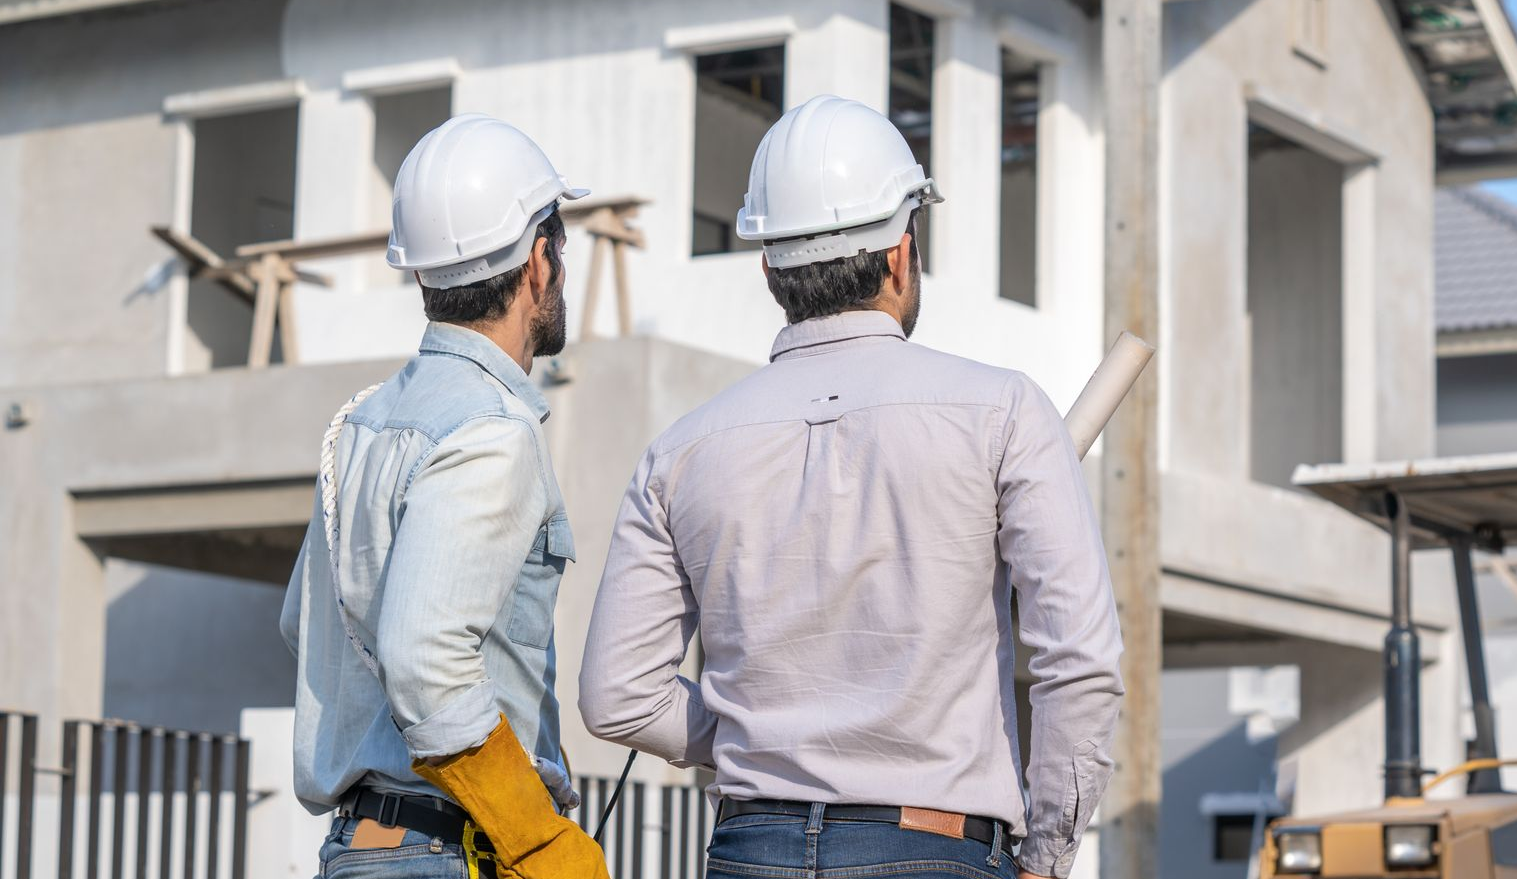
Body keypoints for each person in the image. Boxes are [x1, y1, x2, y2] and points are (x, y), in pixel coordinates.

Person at [579, 95, 1123, 879]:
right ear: (902, 253)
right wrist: (1047, 854)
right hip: (934, 850)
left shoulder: (681, 452)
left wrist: (752, 730)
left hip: (748, 852)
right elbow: (1080, 660)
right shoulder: (1003, 412)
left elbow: (616, 695)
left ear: (769, 269)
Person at [280, 114, 609, 879]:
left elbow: (305, 621)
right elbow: (424, 657)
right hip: (447, 852)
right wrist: (533, 832)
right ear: (538, 261)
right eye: (559, 245)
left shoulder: (364, 419)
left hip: (360, 849)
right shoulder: (494, 428)